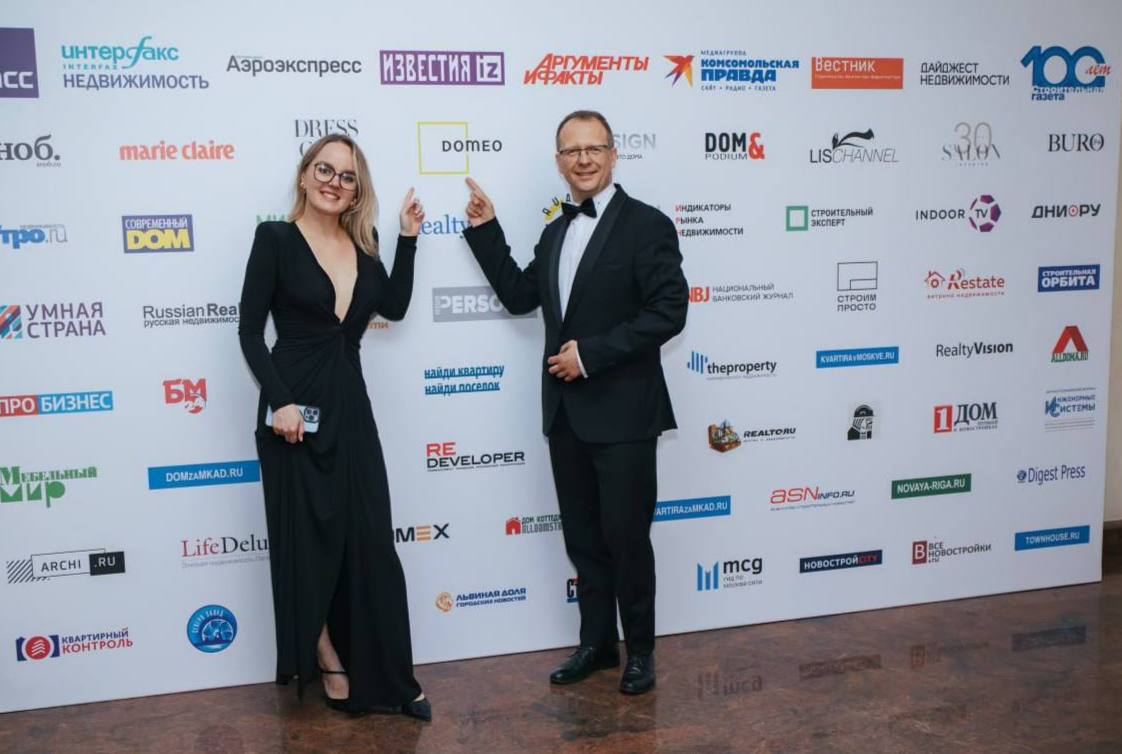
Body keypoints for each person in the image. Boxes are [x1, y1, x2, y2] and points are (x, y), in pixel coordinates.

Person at [462, 110, 688, 695]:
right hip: (566, 416)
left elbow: (668, 312)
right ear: (559, 162)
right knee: (584, 542)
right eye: (572, 150)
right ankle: (597, 644)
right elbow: (520, 296)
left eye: (594, 148)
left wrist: (589, 355)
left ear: (614, 154)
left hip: (625, 415)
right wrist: (486, 229)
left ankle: (641, 651)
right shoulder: (555, 230)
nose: (583, 159)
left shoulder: (648, 225)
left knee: (627, 541)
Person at [238, 134, 431, 720]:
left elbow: (393, 306)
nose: (334, 182)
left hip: (350, 406)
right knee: (307, 543)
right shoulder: (275, 240)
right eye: (324, 170)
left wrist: (407, 238)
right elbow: (249, 331)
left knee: (371, 540)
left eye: (347, 176)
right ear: (304, 175)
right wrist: (281, 402)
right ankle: (326, 659)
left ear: (356, 190)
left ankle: (393, 677)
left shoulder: (361, 246)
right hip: (293, 412)